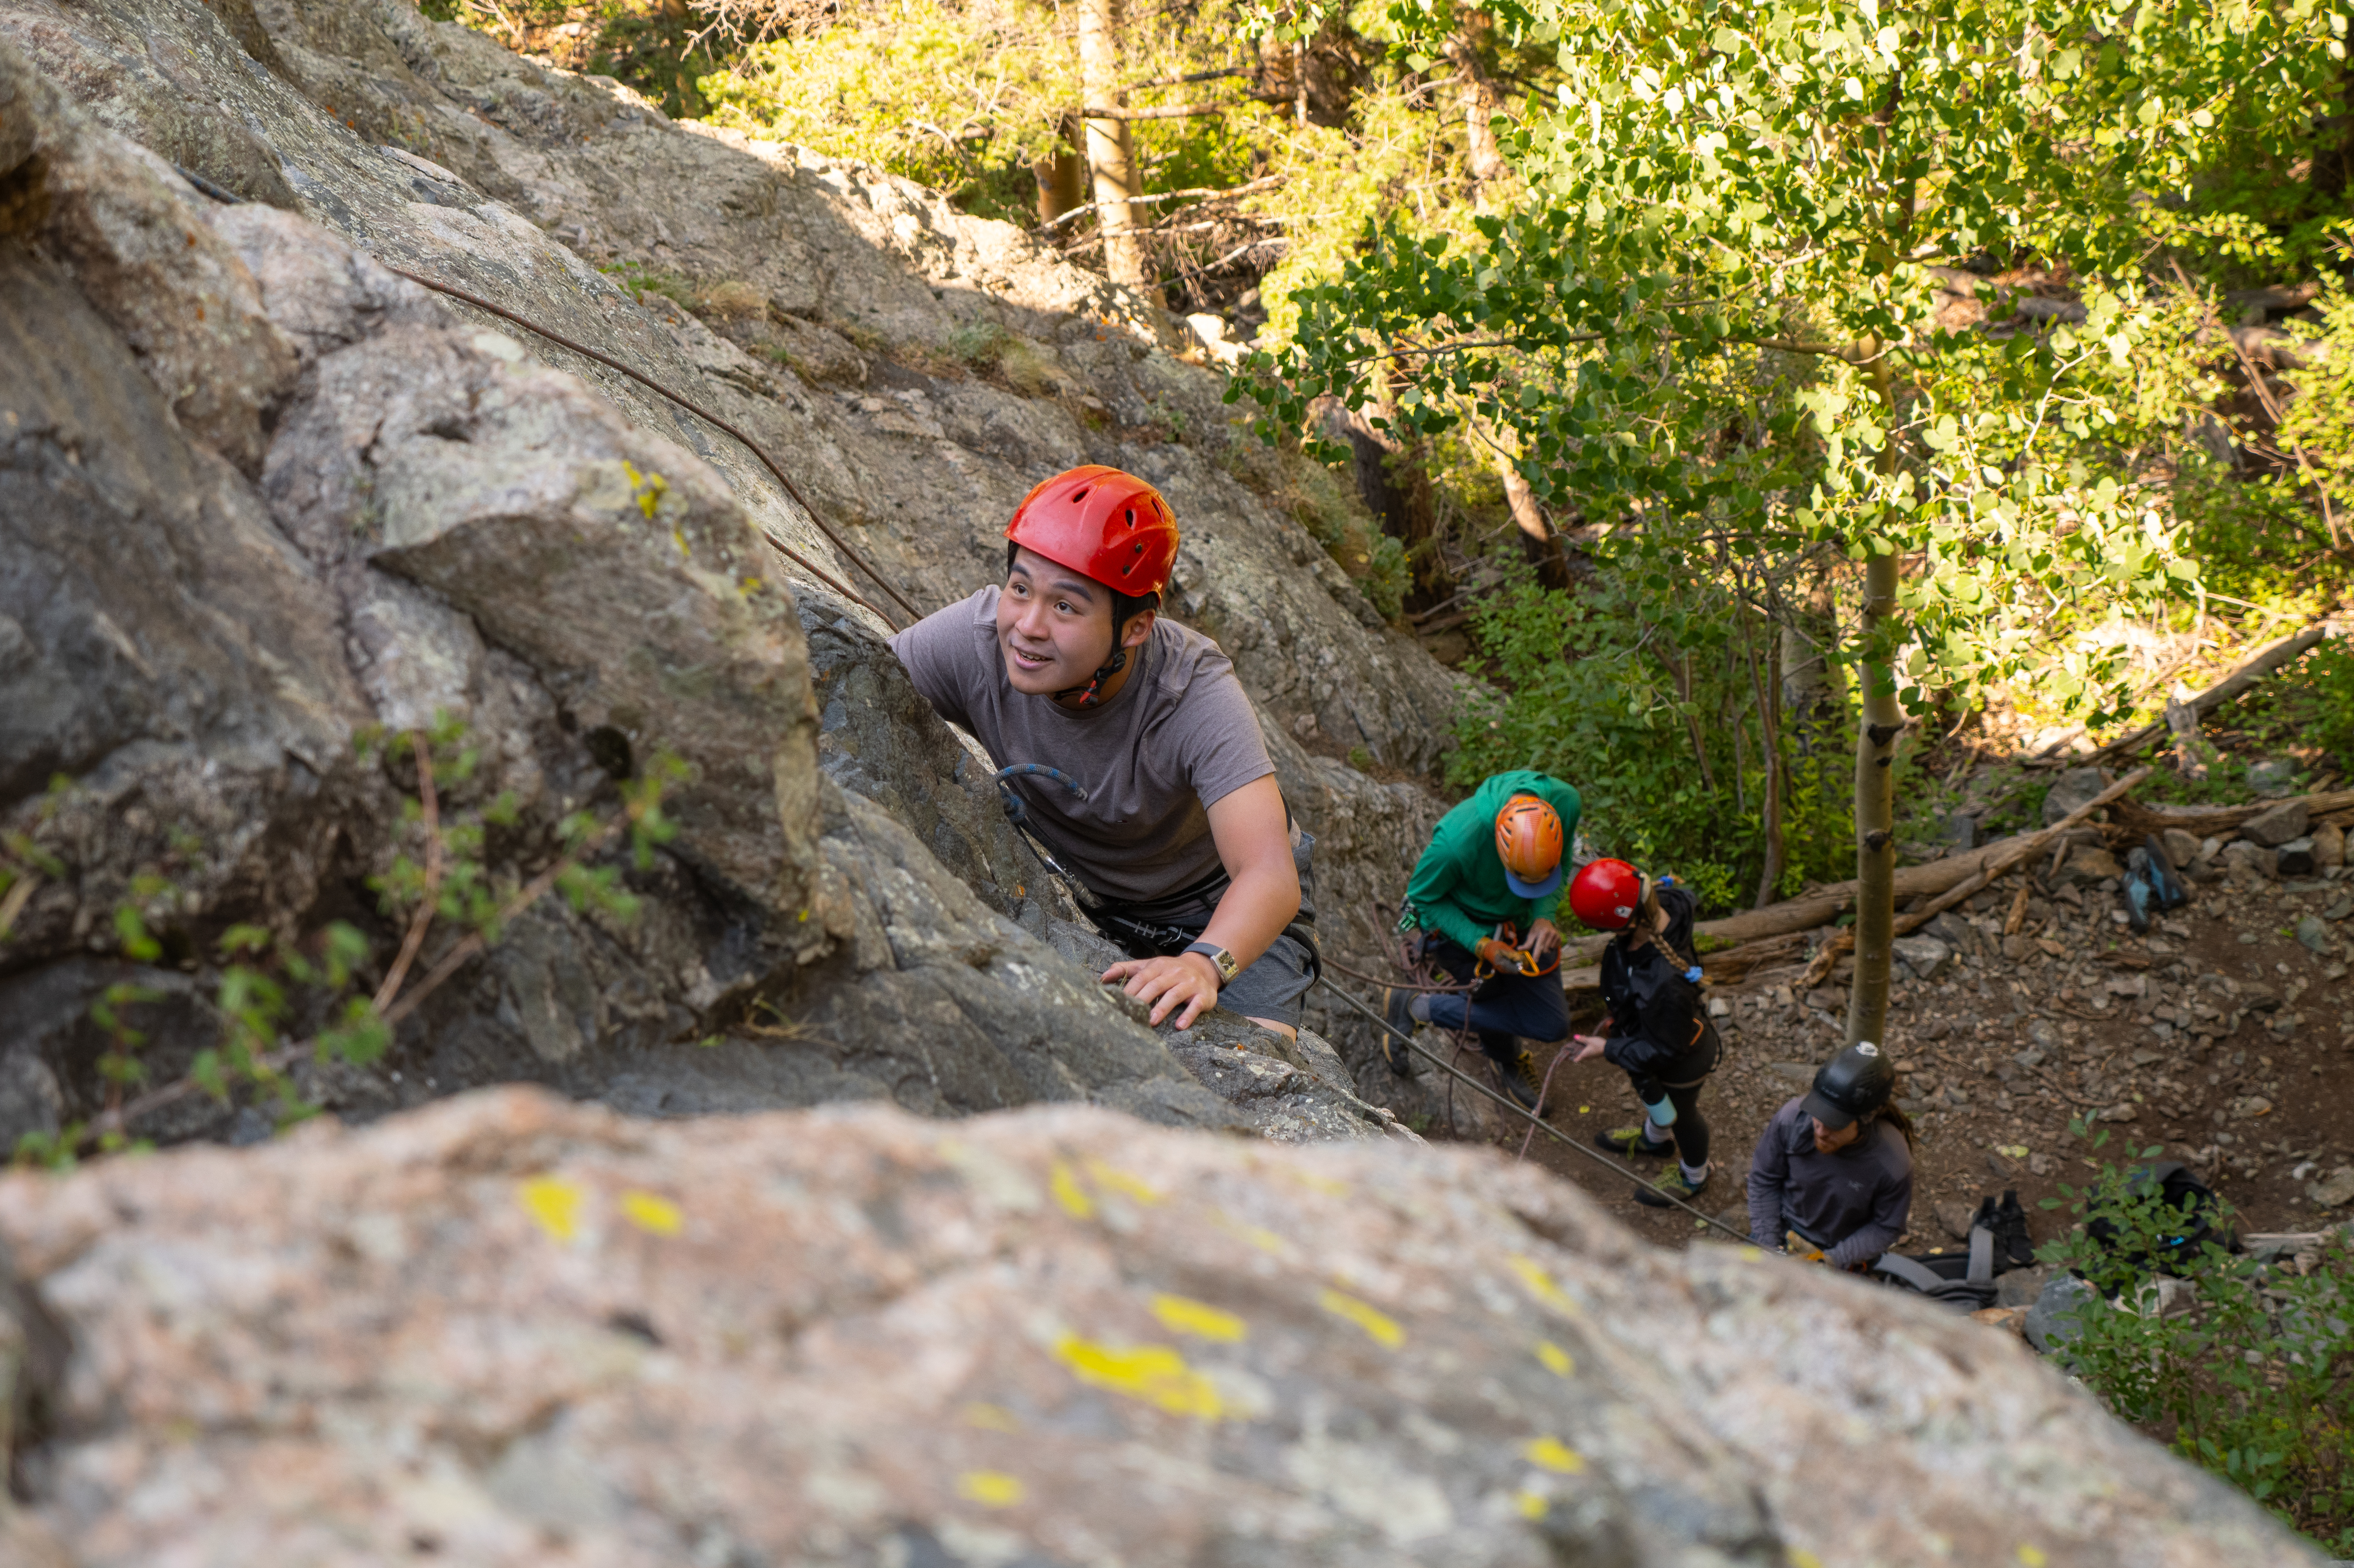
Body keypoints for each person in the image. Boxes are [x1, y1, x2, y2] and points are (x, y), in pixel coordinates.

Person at [889, 465, 1314, 1039]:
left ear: (1135, 628)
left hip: (1215, 906)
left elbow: (1268, 875)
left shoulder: (1193, 695)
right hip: (1086, 891)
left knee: (1261, 1056)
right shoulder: (977, 638)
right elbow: (843, 685)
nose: (1028, 627)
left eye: (1066, 607)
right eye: (1020, 589)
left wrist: (1204, 964)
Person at [1380, 772, 1582, 1108]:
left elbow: (1559, 863)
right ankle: (1501, 1055)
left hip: (1524, 924)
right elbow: (1424, 898)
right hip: (1466, 926)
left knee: (1553, 1024)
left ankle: (1425, 1009)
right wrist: (1482, 945)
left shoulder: (1565, 804)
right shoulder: (1457, 843)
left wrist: (1544, 916)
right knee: (1488, 994)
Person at [1566, 860, 1721, 1208]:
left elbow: (1662, 1050)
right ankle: (1656, 1138)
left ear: (1629, 923)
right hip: (1660, 1037)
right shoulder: (1662, 905)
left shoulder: (1665, 983)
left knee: (1682, 1115)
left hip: (1679, 1062)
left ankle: (1696, 1174)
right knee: (1661, 1105)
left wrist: (1609, 1049)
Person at [1746, 1042, 1916, 1271]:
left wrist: (1832, 1260)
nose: (1820, 1131)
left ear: (1865, 1120)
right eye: (1818, 1115)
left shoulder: (1892, 1163)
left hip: (1840, 1249)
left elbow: (1886, 1227)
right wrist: (1769, 1245)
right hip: (1783, 1229)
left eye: (1834, 1124)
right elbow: (1764, 1179)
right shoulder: (1792, 1121)